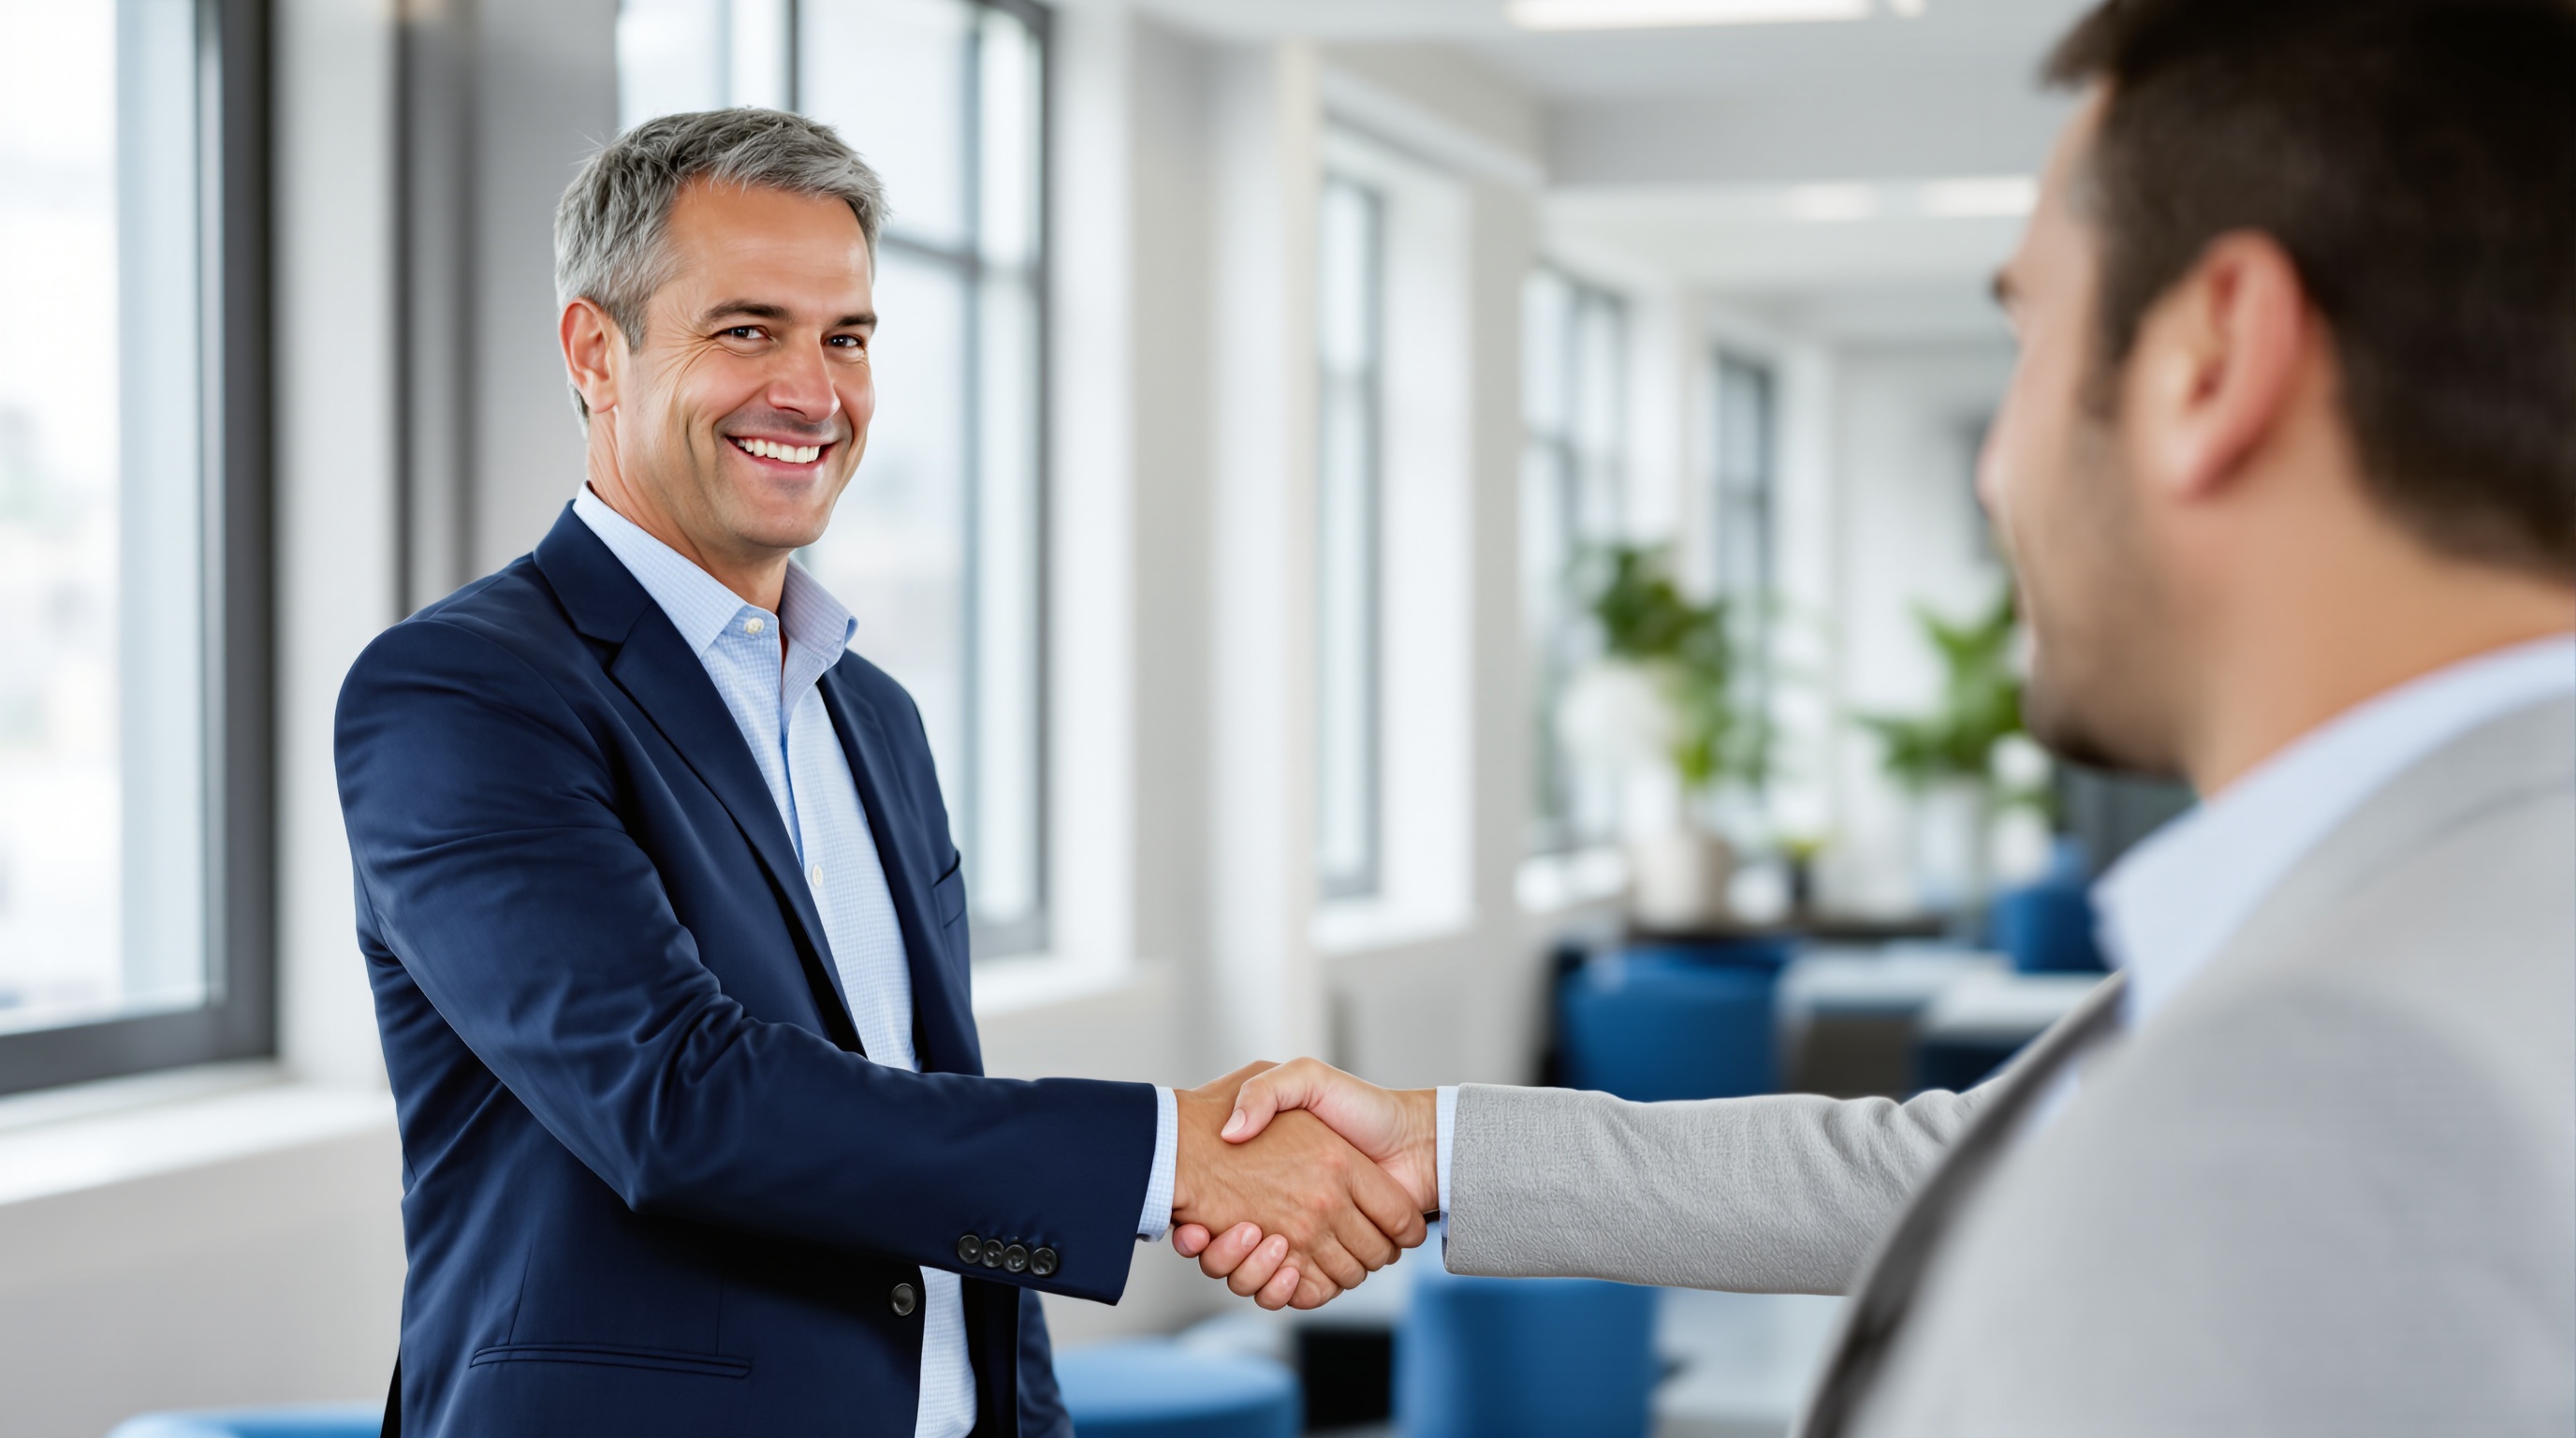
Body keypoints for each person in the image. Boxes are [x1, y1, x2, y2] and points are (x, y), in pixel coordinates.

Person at [1188, 0, 2576, 1431]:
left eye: (2030, 335)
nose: (1996, 471)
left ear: (2213, 359)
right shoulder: (2450, 904)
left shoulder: (2331, 1066)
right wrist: (1443, 1150)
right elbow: (1974, 1162)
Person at [336, 109, 1425, 1438]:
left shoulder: (874, 717)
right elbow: (678, 1099)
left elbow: (922, 1106)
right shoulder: (464, 691)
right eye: (747, 330)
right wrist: (1166, 1158)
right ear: (595, 351)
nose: (812, 391)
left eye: (844, 337)